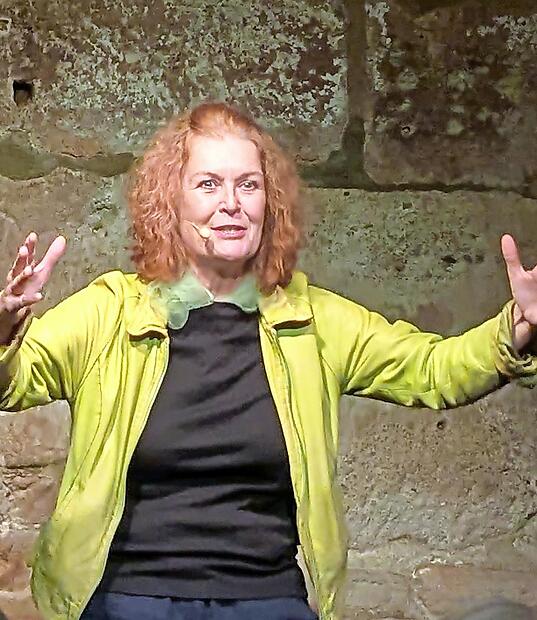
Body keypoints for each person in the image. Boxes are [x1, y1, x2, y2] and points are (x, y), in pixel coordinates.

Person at [0, 102, 536, 620]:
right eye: (208, 184)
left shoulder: (313, 321)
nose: (231, 203)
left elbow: (433, 370)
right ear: (170, 202)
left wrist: (517, 329)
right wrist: (4, 331)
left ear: (268, 203)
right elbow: (16, 381)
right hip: (128, 597)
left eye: (248, 185)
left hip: (265, 597)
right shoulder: (112, 312)